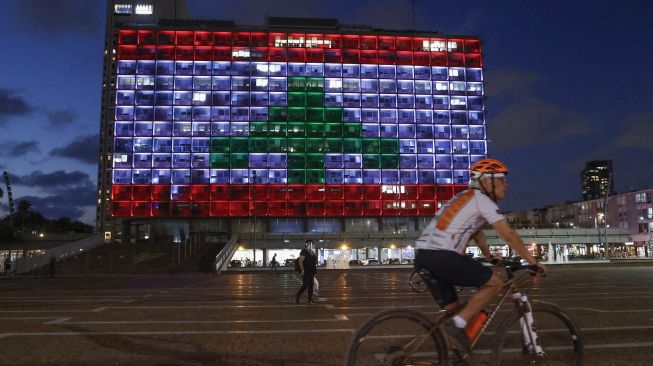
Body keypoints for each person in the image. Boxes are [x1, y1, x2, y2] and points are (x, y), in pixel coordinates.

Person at [415, 158, 548, 356]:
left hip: (423, 256)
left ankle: (451, 354)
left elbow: (476, 231)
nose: (507, 184)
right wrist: (533, 262)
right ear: (486, 182)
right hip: (441, 254)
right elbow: (509, 235)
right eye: (502, 179)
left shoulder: (465, 197)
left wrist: (489, 256)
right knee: (494, 283)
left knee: (455, 310)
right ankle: (457, 325)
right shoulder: (482, 199)